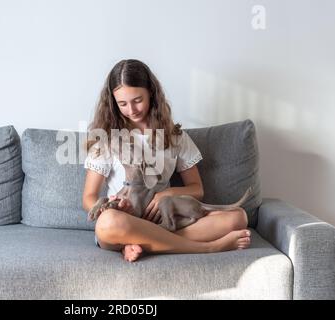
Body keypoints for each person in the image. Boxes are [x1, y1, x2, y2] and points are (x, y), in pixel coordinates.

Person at [82, 59, 250, 262]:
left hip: (164, 221)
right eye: (123, 104)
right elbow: (88, 197)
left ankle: (143, 244)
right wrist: (108, 206)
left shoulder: (174, 136)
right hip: (122, 222)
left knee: (238, 217)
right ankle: (209, 247)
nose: (132, 109)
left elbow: (197, 189)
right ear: (113, 103)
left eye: (137, 100)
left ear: (151, 93)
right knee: (108, 222)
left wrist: (167, 194)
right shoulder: (108, 138)